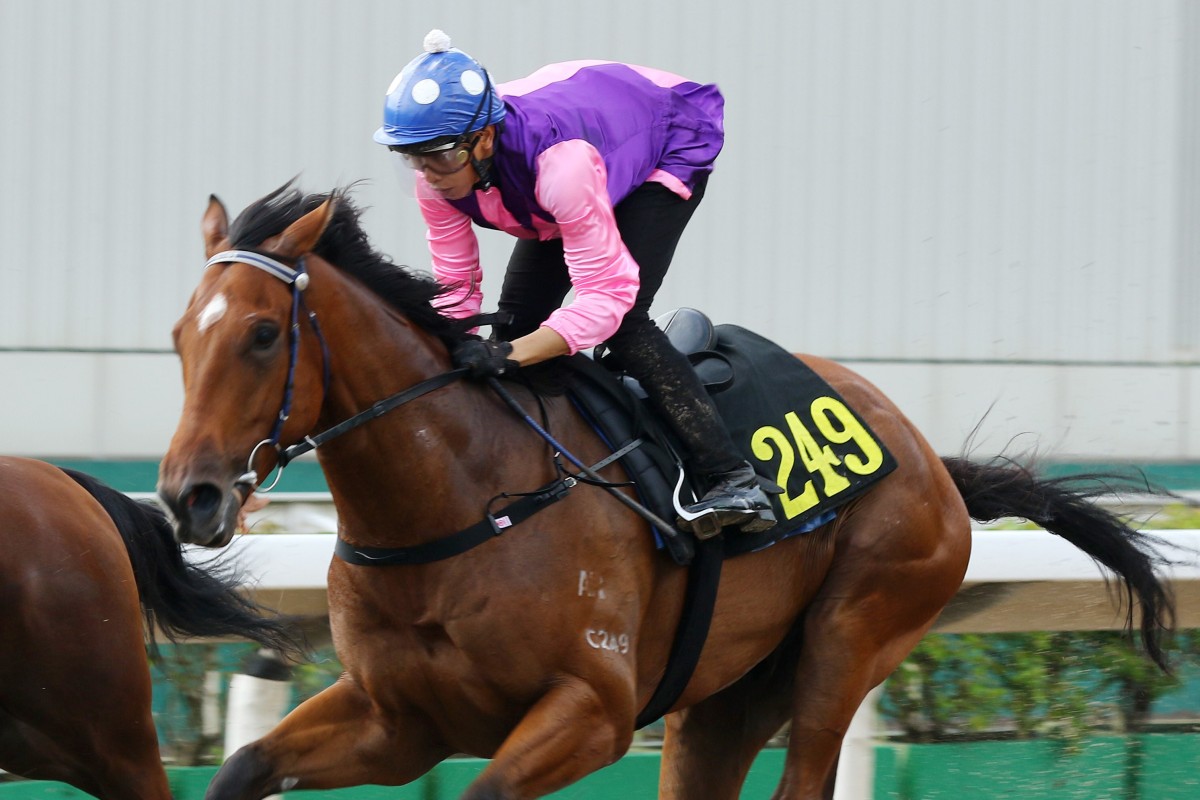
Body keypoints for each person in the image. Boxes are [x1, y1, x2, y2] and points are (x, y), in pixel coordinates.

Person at [373, 30, 775, 537]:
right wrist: (459, 352)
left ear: (485, 139)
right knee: (516, 324)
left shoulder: (560, 168)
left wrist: (510, 355)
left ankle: (731, 477)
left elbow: (605, 297)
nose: (429, 174)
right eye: (414, 157)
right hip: (567, 158)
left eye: (442, 156)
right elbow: (457, 289)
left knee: (623, 323)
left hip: (662, 136)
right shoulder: (436, 181)